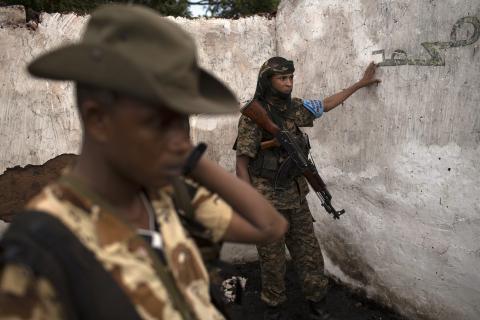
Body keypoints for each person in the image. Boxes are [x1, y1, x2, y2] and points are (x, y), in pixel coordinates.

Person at [0, 5, 288, 320]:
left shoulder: (167, 194)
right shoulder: (42, 250)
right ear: (98, 120)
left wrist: (193, 160)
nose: (181, 138)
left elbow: (270, 226)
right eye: (159, 122)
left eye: (183, 121)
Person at [234, 57, 380, 319]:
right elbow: (242, 164)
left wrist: (360, 83)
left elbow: (326, 104)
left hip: (297, 197)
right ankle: (274, 307)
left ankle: (317, 303)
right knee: (272, 259)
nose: (289, 83)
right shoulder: (254, 116)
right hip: (266, 201)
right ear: (268, 81)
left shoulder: (295, 108)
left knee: (309, 253)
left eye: (291, 77)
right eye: (283, 78)